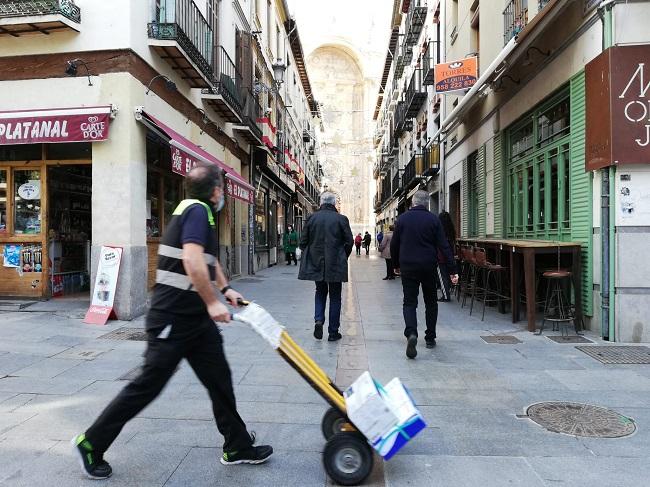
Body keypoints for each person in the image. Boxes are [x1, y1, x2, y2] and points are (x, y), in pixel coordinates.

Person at [72, 164, 272, 480]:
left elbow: (208, 259)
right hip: (173, 319)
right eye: (220, 188)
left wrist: (225, 288)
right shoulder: (197, 212)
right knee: (146, 386)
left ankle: (237, 446)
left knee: (219, 379)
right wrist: (211, 303)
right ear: (215, 191)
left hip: (193, 320)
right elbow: (192, 260)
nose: (222, 193)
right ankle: (91, 443)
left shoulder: (197, 211)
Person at [390, 190, 459, 359]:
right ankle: (430, 338)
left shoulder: (402, 219)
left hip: (408, 267)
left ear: (413, 202)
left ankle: (411, 333)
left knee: (409, 302)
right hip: (428, 266)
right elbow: (444, 246)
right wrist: (452, 271)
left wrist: (396, 265)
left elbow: (394, 245)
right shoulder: (434, 220)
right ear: (427, 203)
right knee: (431, 303)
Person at [299, 192, 353, 342]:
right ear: (334, 203)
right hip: (335, 264)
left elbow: (303, 242)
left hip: (317, 264)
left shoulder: (311, 218)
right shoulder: (341, 219)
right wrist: (343, 255)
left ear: (321, 202)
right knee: (335, 297)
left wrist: (311, 254)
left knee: (320, 292)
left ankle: (318, 320)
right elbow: (349, 241)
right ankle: (333, 332)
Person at [437, 211, 457, 302]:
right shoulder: (451, 230)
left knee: (442, 276)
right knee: (448, 275)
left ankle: (445, 296)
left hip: (441, 256)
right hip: (450, 255)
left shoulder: (440, 231)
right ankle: (448, 291)